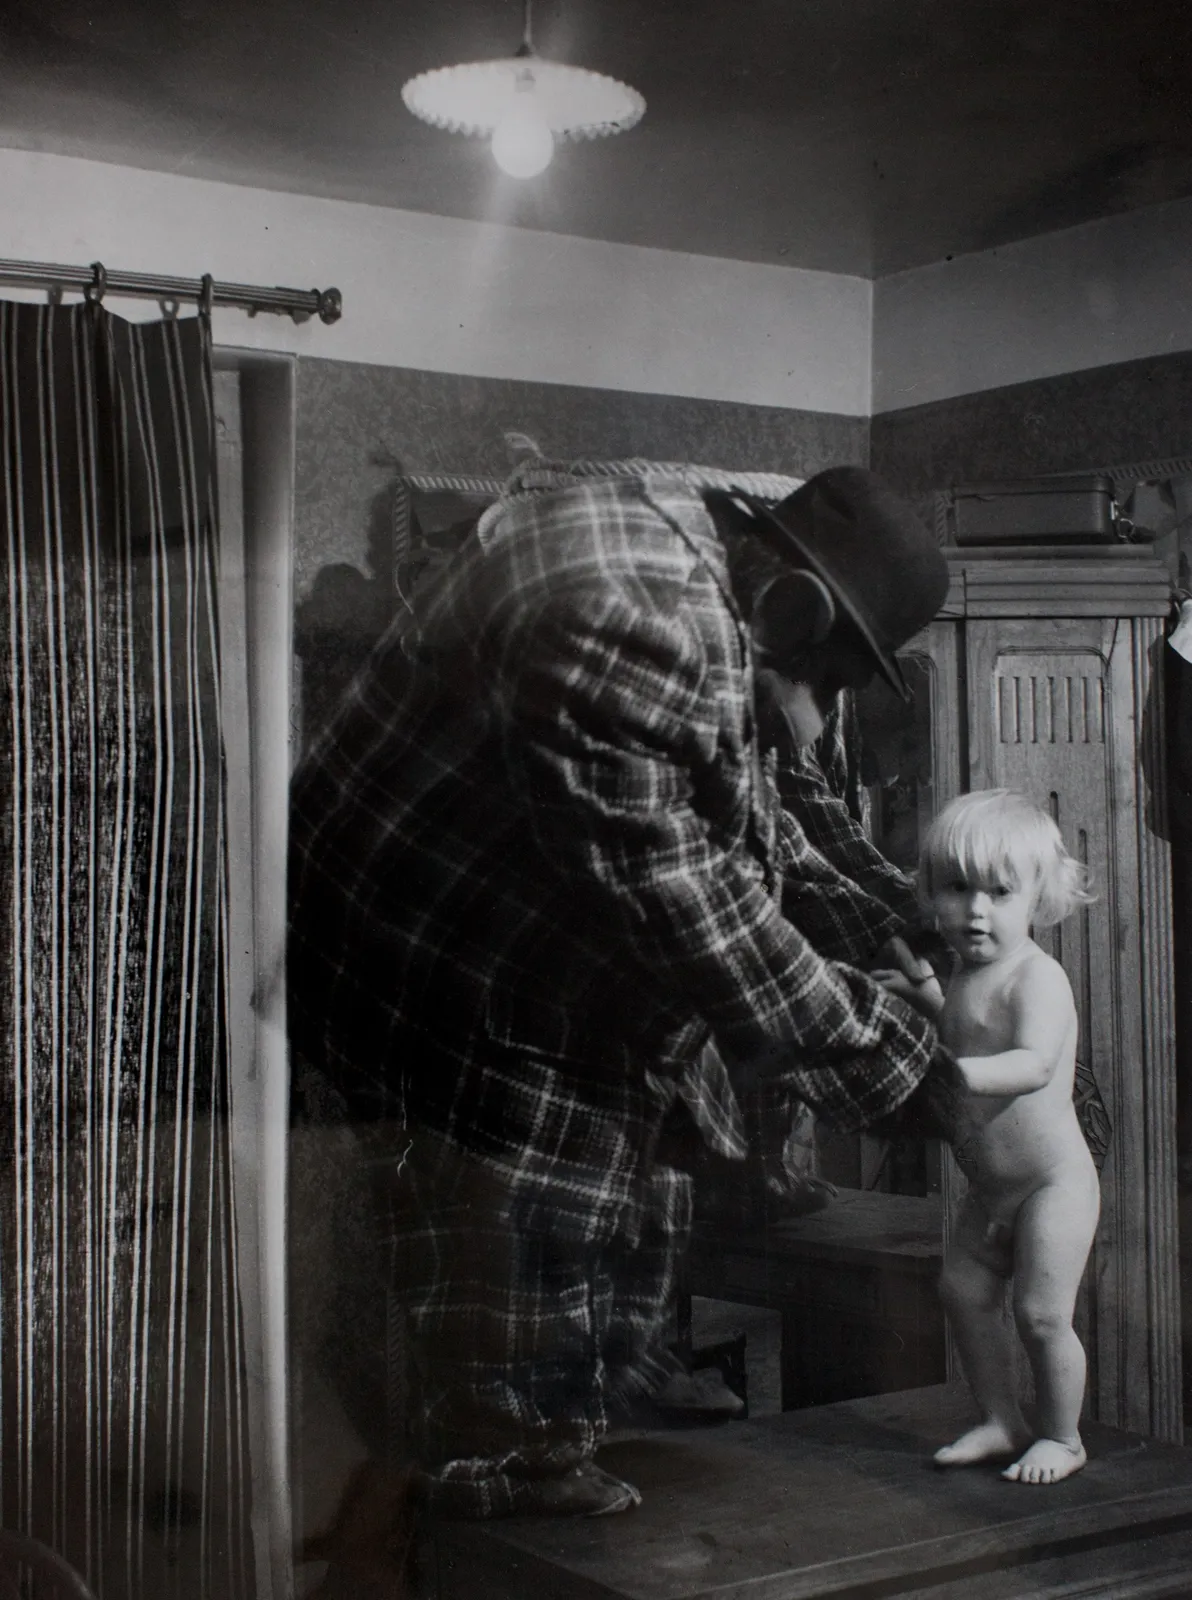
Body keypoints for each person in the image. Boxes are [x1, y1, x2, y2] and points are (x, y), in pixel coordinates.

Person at [287, 459, 960, 1530]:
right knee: (502, 1356)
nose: (825, 716)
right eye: (832, 681)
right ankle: (502, 1483)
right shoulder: (629, 617)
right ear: (796, 606)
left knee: (605, 1230)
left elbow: (752, 829)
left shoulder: (703, 579)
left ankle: (560, 1424)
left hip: (492, 932)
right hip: (423, 983)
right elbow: (690, 905)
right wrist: (908, 1067)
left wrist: (896, 923)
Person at [900, 789, 1098, 1486]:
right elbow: (959, 1023)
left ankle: (1063, 1438)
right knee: (961, 1292)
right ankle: (999, 1418)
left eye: (999, 892)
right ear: (932, 893)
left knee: (1042, 1315)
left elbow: (1032, 1065)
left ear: (1038, 898)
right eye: (957, 889)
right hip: (990, 1189)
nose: (975, 910)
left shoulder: (1036, 978)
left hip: (1051, 1185)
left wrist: (944, 1075)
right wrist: (922, 990)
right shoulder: (965, 973)